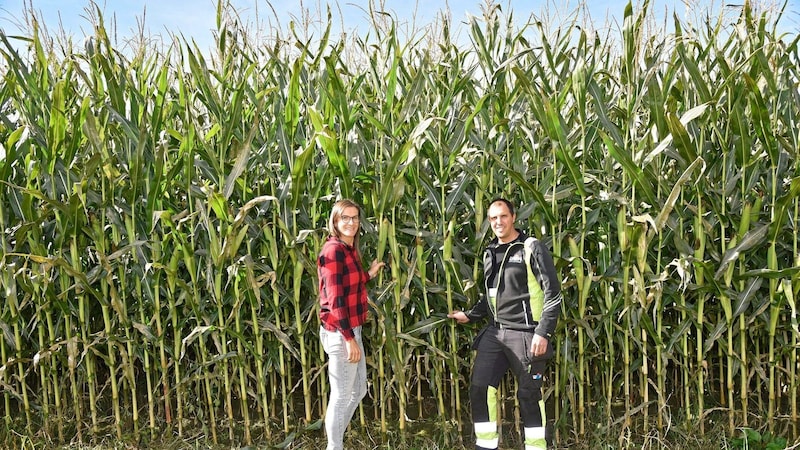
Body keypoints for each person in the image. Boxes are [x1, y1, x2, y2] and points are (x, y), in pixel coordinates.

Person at [448, 198, 562, 450]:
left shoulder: (531, 248)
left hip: (527, 333)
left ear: (513, 216)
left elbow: (553, 294)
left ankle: (536, 446)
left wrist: (543, 333)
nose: (498, 222)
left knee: (529, 395)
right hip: (496, 333)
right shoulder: (491, 251)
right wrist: (471, 315)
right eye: (493, 218)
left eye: (503, 216)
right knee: (479, 388)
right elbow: (491, 294)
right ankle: (486, 446)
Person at [317, 199, 385, 450]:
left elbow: (349, 283)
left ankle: (336, 442)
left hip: (350, 329)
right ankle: (334, 447)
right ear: (335, 221)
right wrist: (348, 338)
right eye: (345, 218)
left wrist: (369, 274)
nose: (351, 222)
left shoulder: (347, 248)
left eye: (355, 218)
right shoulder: (333, 250)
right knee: (342, 395)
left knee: (358, 391)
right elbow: (335, 299)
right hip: (340, 332)